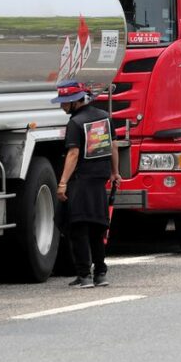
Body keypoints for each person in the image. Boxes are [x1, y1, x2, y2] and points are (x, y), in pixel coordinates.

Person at [52, 80, 121, 288]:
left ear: (76, 101)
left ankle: (84, 275)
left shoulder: (75, 123)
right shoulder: (104, 118)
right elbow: (114, 146)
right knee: (98, 229)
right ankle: (100, 273)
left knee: (78, 229)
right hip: (99, 182)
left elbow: (73, 154)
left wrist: (62, 182)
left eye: (66, 102)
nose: (62, 105)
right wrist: (115, 172)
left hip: (80, 183)